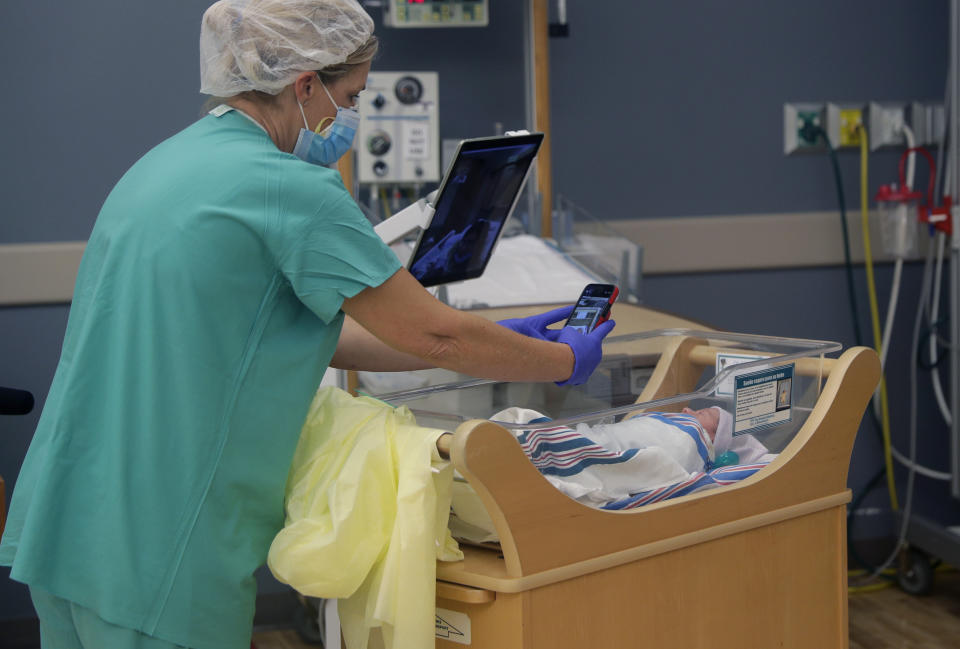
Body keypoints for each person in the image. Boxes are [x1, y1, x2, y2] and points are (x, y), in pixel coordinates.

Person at [0, 2, 615, 648]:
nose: (348, 117)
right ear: (304, 84)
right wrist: (563, 361)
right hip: (159, 554)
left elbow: (317, 334)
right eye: (350, 96)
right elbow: (436, 332)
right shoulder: (290, 190)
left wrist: (515, 341)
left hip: (66, 523)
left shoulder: (160, 168)